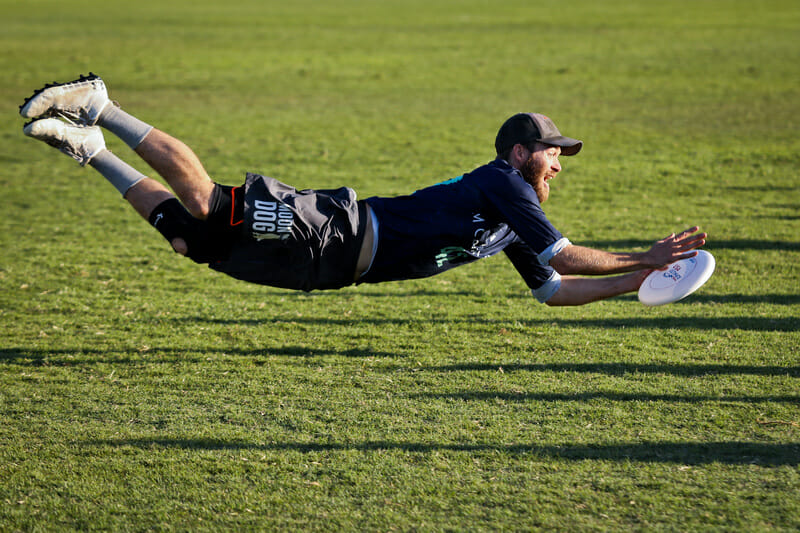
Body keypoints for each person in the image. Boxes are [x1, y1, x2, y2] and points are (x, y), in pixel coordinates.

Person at [20, 74, 706, 306]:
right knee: (207, 204)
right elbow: (562, 256)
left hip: (331, 270)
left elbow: (552, 289)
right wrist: (644, 259)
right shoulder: (505, 184)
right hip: (336, 227)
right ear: (522, 153)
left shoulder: (510, 217)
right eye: (553, 156)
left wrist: (642, 286)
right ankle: (101, 106)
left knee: (189, 240)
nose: (558, 166)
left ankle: (92, 151)